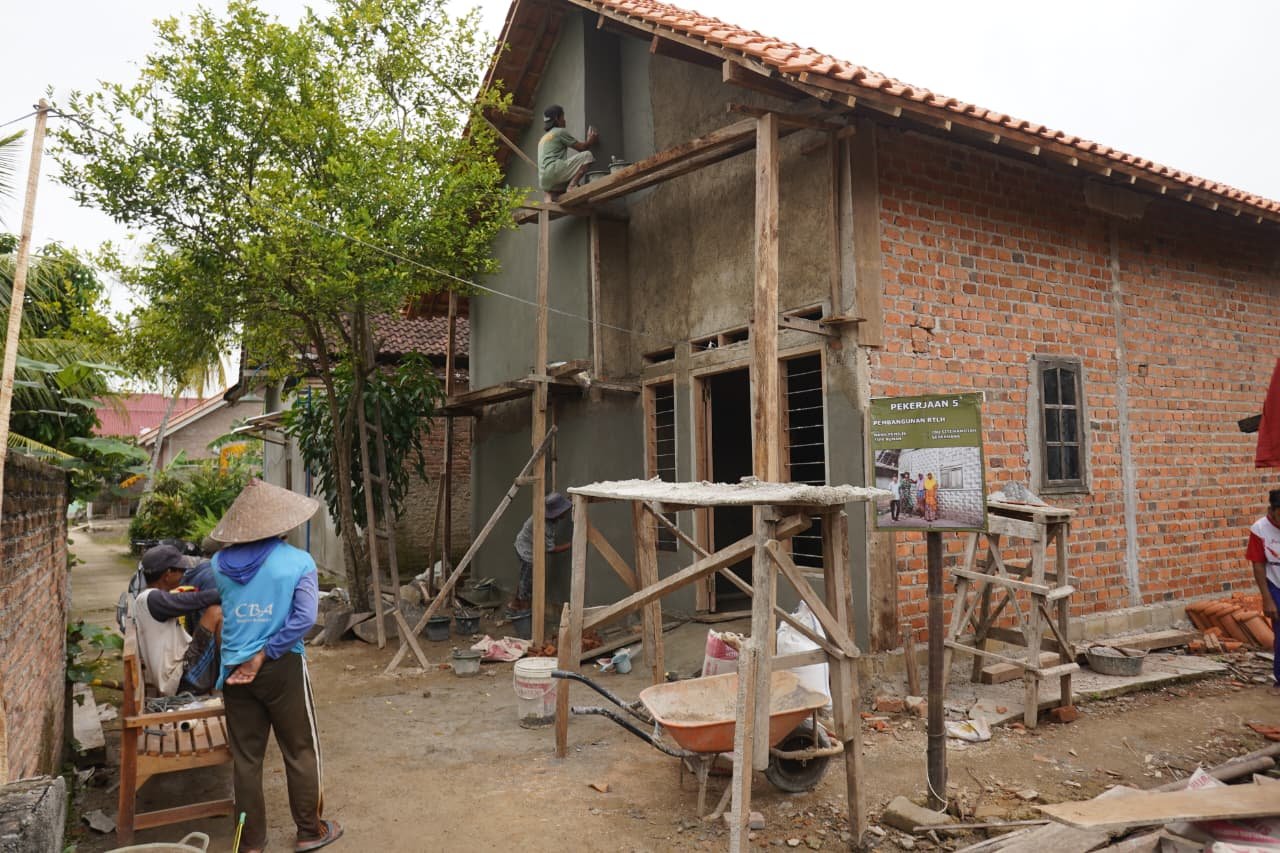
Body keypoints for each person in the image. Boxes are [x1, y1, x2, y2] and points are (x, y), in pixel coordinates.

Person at [210, 479, 342, 853]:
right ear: (281, 523)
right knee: (299, 750)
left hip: (233, 668)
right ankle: (309, 831)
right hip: (281, 665)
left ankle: (251, 843)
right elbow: (304, 619)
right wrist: (266, 652)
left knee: (246, 760)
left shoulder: (218, 564)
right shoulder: (298, 562)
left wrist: (250, 656)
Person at [130, 544, 222, 696]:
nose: (184, 574)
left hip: (180, 673)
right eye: (181, 570)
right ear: (168, 573)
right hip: (181, 681)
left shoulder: (150, 598)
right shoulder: (151, 598)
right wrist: (231, 592)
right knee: (215, 612)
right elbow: (199, 599)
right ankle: (233, 671)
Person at [508, 492, 574, 613]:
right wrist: (571, 545)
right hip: (526, 551)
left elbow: (554, 503)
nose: (566, 513)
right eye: (564, 511)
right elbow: (551, 550)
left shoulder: (547, 508)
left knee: (524, 578)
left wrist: (568, 501)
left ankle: (514, 604)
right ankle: (524, 611)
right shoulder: (544, 526)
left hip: (524, 543)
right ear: (556, 513)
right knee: (527, 582)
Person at [1245, 488, 1280, 695]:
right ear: (1271, 511)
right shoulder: (1260, 529)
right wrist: (1267, 599)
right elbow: (1258, 565)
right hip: (1276, 585)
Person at [538, 105, 598, 198]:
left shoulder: (543, 139)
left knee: (559, 179)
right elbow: (582, 148)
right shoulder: (559, 132)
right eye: (563, 117)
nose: (565, 120)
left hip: (544, 182)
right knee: (587, 155)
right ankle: (572, 186)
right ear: (557, 119)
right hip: (554, 172)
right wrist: (590, 140)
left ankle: (549, 197)